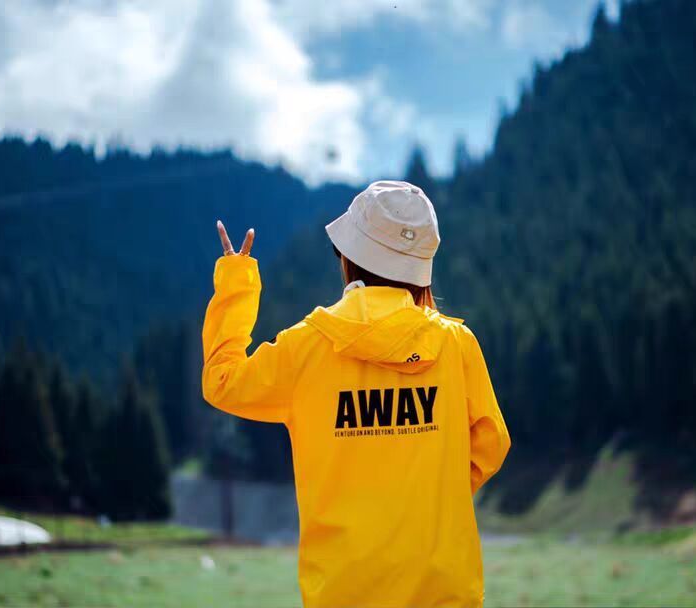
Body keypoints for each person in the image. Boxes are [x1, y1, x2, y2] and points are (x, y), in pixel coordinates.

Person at [202, 180, 511, 607]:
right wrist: (430, 495)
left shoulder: (305, 348)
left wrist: (236, 284)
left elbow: (222, 383)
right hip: (443, 591)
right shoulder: (457, 347)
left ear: (347, 258)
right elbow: (491, 443)